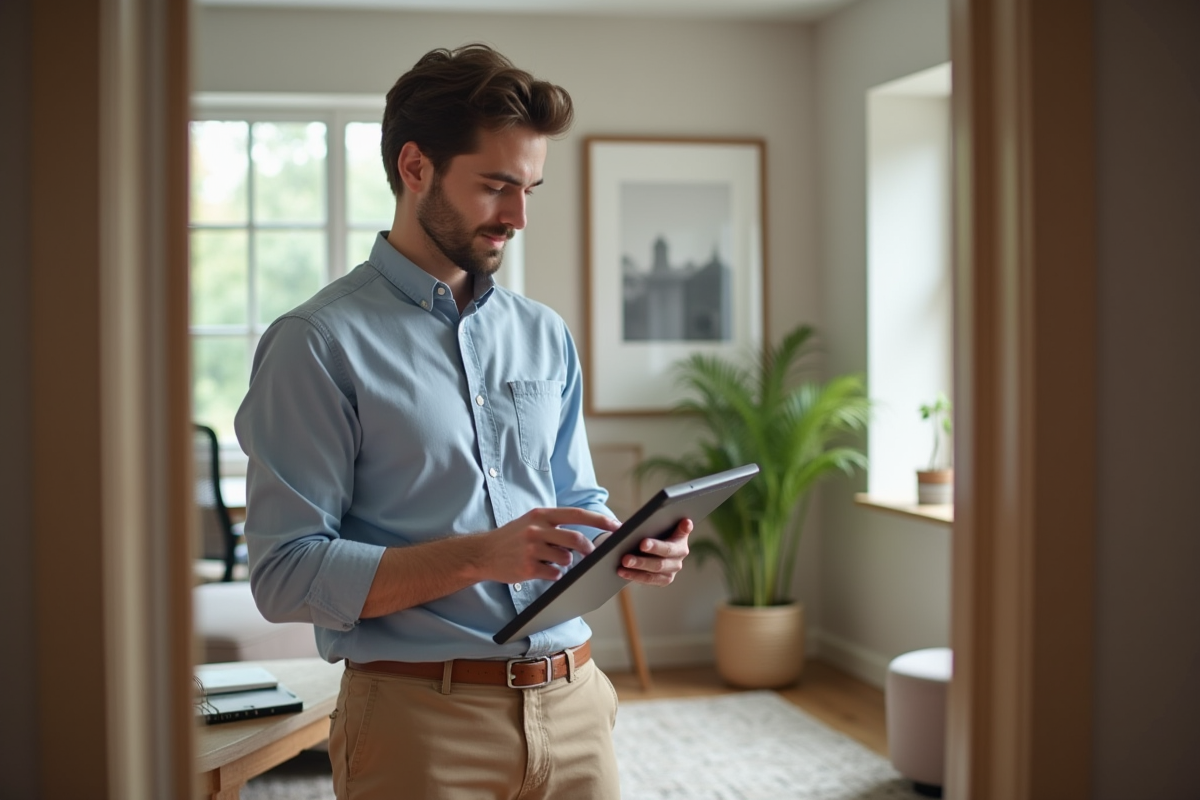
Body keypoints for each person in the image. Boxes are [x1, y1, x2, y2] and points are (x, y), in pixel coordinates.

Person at [234, 43, 693, 800]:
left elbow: (575, 497)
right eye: (496, 186)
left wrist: (628, 543)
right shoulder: (316, 343)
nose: (517, 216)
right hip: (420, 724)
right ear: (415, 168)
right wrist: (481, 556)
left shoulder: (544, 333)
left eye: (530, 190)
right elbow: (286, 576)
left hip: (576, 705)